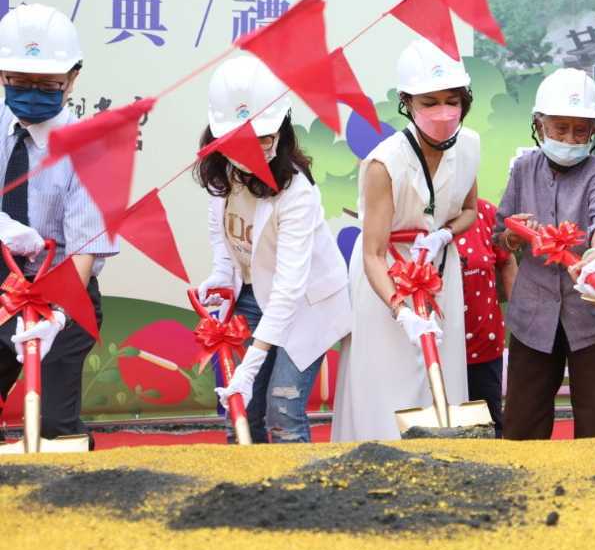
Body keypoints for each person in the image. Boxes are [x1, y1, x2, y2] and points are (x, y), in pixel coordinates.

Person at [193, 54, 353, 443]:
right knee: (241, 413)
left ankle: (297, 501)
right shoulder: (222, 173)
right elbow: (223, 237)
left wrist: (250, 365)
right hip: (250, 294)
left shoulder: (297, 192)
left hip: (303, 304)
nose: (251, 151)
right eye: (238, 141)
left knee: (282, 410)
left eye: (262, 138)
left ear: (282, 130)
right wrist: (221, 277)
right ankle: (244, 497)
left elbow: (288, 289)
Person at [332, 38, 479, 442]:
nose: (444, 113)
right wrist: (402, 312)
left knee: (442, 378)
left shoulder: (469, 146)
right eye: (429, 102)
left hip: (439, 275)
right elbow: (373, 253)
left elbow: (469, 210)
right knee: (385, 384)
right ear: (407, 102)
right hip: (387, 282)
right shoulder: (385, 163)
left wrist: (445, 234)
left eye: (453, 100)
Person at [0, 3, 118, 447]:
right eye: (20, 82)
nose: (32, 93)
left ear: (72, 79)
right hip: (3, 287)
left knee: (52, 420)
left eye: (47, 84)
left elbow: (86, 246)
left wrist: (60, 314)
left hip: (64, 288)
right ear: (2, 76)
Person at [496, 68, 595, 439]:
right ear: (539, 127)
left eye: (581, 129)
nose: (570, 138)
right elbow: (499, 234)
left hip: (593, 318)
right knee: (522, 425)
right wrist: (514, 235)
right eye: (560, 128)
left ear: (594, 132)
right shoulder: (523, 169)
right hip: (532, 317)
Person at [457, 196, 515, 437]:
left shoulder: (485, 212)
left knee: (489, 431)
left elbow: (507, 260)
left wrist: (520, 314)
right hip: (433, 352)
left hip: (483, 345)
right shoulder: (419, 216)